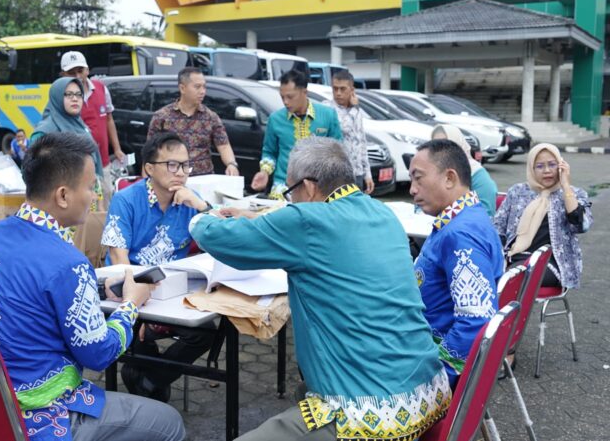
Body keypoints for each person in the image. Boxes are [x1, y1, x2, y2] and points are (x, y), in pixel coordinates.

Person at [189, 137, 450, 441]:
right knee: (303, 392)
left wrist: (199, 211)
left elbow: (217, 237)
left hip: (369, 413)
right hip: (428, 393)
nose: (290, 202)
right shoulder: (382, 214)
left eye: (290, 193)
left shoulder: (307, 221)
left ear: (309, 186)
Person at [0, 132, 184, 441]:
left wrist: (91, 288)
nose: (95, 196)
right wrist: (130, 305)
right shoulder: (68, 263)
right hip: (42, 414)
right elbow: (100, 354)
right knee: (170, 423)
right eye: (91, 186)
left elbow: (31, 291)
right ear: (63, 195)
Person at [101, 131, 215, 403]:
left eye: (186, 165)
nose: (181, 173)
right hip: (129, 292)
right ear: (149, 169)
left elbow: (224, 239)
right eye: (172, 165)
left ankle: (149, 382)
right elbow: (120, 260)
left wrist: (201, 206)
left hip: (174, 293)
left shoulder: (190, 200)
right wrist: (144, 311)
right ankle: (150, 385)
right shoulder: (126, 200)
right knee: (140, 340)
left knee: (206, 332)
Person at [410, 139, 503, 387]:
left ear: (450, 178)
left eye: (418, 178)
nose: (412, 189)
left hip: (427, 366)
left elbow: (476, 320)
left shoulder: (460, 235)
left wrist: (436, 381)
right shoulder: (464, 217)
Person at [494, 143, 592, 289]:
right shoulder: (517, 191)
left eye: (552, 165)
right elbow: (497, 227)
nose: (547, 171)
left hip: (553, 262)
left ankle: (513, 310)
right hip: (515, 257)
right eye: (540, 166)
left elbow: (581, 225)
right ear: (531, 169)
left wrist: (565, 185)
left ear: (561, 166)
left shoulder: (573, 194)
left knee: (512, 281)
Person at [251, 70, 341, 199]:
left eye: (290, 97)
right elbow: (270, 152)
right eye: (282, 97)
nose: (285, 102)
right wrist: (264, 172)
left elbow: (337, 153)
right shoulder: (275, 119)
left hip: (320, 187)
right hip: (283, 188)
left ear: (304, 92)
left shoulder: (328, 115)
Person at [147, 67, 239, 177]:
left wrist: (231, 164)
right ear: (182, 88)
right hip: (172, 178)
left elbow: (223, 145)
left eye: (204, 87)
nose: (202, 91)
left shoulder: (211, 117)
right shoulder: (162, 116)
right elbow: (150, 150)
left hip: (203, 178)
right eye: (197, 87)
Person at [61, 51, 125, 198]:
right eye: (71, 72)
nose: (77, 76)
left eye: (80, 71)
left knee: (106, 196)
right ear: (63, 74)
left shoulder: (101, 88)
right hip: (77, 165)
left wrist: (117, 149)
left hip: (103, 161)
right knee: (84, 204)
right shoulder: (62, 96)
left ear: (87, 70)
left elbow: (109, 119)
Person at [31, 76, 103, 199]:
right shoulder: (44, 132)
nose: (75, 99)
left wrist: (97, 198)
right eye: (68, 94)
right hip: (58, 204)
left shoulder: (81, 126)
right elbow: (34, 174)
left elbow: (95, 169)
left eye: (78, 94)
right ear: (57, 97)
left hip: (87, 201)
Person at [323, 70, 374, 193]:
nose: (338, 93)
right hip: (337, 173)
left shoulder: (355, 111)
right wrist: (354, 109)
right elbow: (344, 127)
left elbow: (361, 141)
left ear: (352, 90)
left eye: (342, 89)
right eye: (335, 89)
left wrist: (368, 173)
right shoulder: (326, 108)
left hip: (357, 172)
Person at [431, 124, 498, 216]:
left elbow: (486, 211)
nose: (440, 150)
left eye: (446, 144)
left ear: (458, 145)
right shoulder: (434, 170)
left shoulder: (476, 173)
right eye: (436, 146)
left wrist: (446, 216)